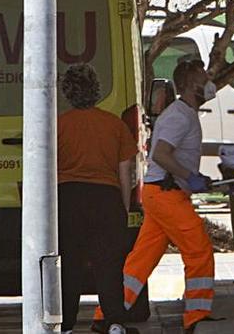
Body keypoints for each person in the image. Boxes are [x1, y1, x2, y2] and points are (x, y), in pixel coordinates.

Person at [95, 59, 218, 333]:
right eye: (203, 77)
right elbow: (161, 154)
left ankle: (106, 313)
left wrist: (189, 178)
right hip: (166, 193)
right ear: (188, 84)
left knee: (141, 260)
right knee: (199, 250)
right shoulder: (179, 115)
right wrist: (189, 176)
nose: (209, 82)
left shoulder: (183, 113)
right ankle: (196, 315)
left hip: (162, 193)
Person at [57, 64, 139, 334]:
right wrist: (123, 208)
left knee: (69, 265)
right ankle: (115, 322)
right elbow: (125, 170)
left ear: (68, 92)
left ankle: (66, 325)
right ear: (96, 90)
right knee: (109, 266)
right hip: (106, 199)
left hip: (68, 199)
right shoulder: (114, 125)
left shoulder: (58, 125)